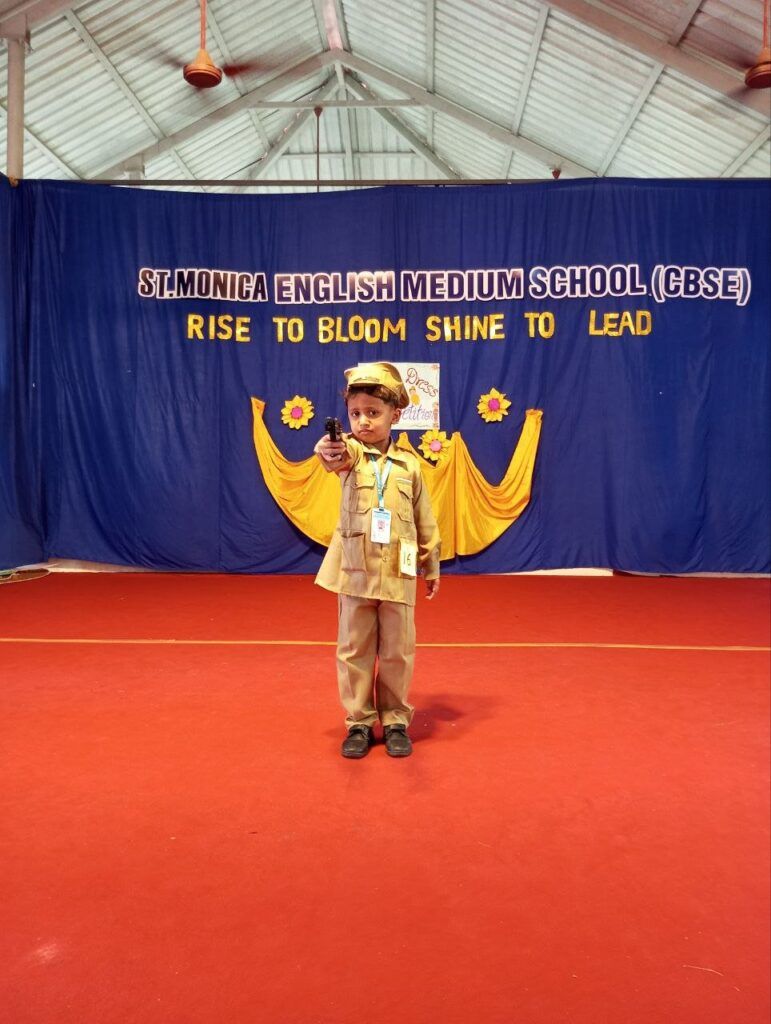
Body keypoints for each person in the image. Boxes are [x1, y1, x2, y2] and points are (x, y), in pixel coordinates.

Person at [314, 362, 441, 759]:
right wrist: (330, 446)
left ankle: (396, 720)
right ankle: (359, 723)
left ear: (395, 416)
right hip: (355, 571)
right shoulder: (352, 455)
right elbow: (334, 455)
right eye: (355, 414)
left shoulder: (410, 466)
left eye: (373, 412)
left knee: (398, 651)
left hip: (398, 572)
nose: (363, 421)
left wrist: (431, 563)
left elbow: (424, 517)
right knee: (354, 650)